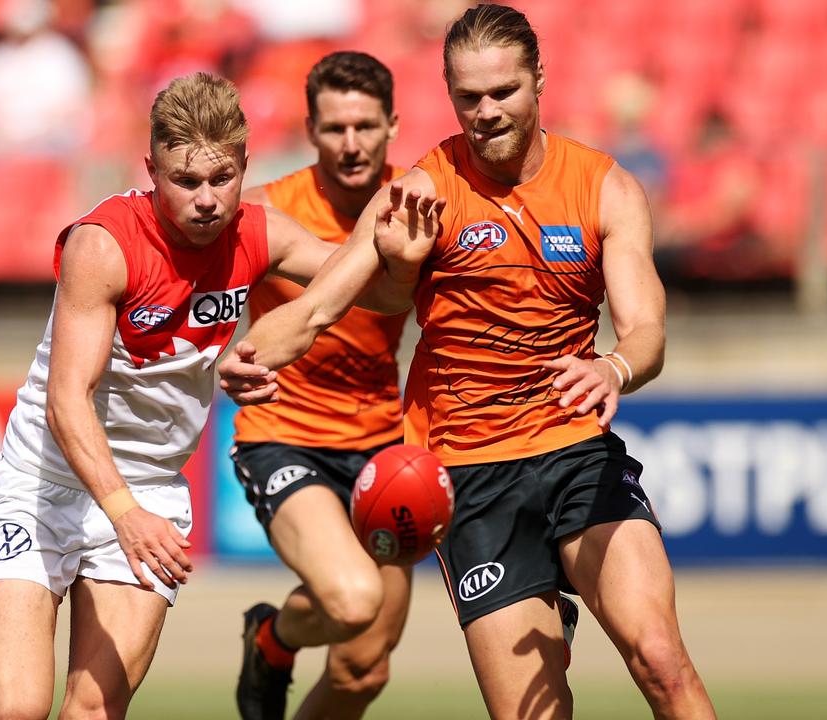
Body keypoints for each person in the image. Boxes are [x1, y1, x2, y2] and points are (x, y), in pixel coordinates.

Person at [218, 5, 717, 718]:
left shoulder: (605, 187)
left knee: (662, 662)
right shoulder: (421, 192)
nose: (485, 112)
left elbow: (647, 333)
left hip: (576, 452)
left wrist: (612, 370)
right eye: (468, 97)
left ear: (540, 80)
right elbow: (320, 305)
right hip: (473, 478)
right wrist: (246, 359)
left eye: (503, 92)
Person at [0, 71, 436, 720]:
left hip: (151, 484)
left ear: (244, 165)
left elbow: (365, 294)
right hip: (45, 480)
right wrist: (124, 512)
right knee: (15, 709)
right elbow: (68, 400)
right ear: (151, 170)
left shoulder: (257, 233)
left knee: (92, 711)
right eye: (186, 182)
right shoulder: (105, 243)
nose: (208, 200)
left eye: (223, 179)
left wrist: (399, 260)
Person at [227, 51, 413, 720]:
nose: (352, 144)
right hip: (285, 435)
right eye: (335, 128)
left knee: (363, 670)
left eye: (366, 126)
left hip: (384, 448)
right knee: (349, 599)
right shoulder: (262, 211)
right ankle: (275, 640)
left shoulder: (415, 208)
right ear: (310, 129)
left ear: (393, 123)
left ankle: (272, 641)